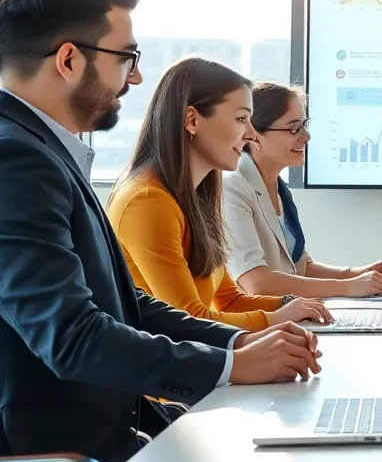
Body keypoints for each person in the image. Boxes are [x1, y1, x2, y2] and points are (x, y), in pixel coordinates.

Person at [0, 0, 321, 462]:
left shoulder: (44, 153)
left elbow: (127, 305)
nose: (137, 79)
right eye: (126, 58)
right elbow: (72, 338)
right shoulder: (18, 160)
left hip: (113, 439)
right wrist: (229, 365)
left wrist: (243, 348)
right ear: (70, 60)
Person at [108, 58, 334, 331]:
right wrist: (277, 318)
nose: (251, 134)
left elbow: (228, 299)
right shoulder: (145, 202)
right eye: (241, 119)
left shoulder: (198, 194)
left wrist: (291, 304)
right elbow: (191, 319)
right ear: (192, 120)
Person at [222, 82, 382, 297]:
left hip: (287, 314)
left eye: (304, 125)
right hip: (254, 324)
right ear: (255, 135)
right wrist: (349, 287)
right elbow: (257, 283)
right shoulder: (233, 187)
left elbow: (301, 268)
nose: (306, 136)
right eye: (294, 128)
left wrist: (358, 274)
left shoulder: (277, 187)